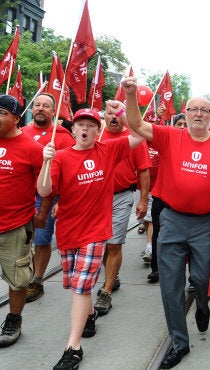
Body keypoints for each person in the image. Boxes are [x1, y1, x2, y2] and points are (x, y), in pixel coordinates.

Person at [122, 78, 210, 369]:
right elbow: (135, 123)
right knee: (170, 285)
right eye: (193, 109)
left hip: (206, 223)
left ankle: (203, 306)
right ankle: (179, 342)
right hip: (171, 218)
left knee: (203, 278)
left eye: (204, 110)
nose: (198, 114)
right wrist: (131, 95)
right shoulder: (170, 135)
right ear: (185, 113)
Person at [37, 106, 145, 369]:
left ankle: (73, 348)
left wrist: (129, 105)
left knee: (82, 287)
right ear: (72, 129)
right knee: (76, 285)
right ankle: (91, 314)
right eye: (80, 125)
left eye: (91, 125)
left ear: (99, 130)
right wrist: (46, 161)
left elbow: (141, 133)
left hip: (96, 232)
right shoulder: (60, 156)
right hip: (68, 231)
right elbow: (44, 189)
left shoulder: (109, 149)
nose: (85, 129)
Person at [92, 102, 151, 316]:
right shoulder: (96, 137)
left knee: (114, 243)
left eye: (117, 114)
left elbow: (144, 171)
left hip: (122, 196)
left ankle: (105, 292)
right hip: (96, 199)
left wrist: (142, 200)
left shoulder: (133, 140)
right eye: (109, 114)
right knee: (103, 245)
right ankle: (112, 276)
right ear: (103, 117)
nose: (114, 117)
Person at [21, 92, 76, 303]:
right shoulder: (21, 132)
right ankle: (21, 276)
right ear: (32, 109)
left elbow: (71, 172)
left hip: (46, 198)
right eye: (37, 105)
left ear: (54, 111)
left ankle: (37, 280)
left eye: (46, 106)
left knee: (42, 240)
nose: (40, 108)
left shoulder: (62, 136)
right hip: (20, 197)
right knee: (22, 240)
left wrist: (61, 200)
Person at [0, 94, 42, 348]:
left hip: (14, 225)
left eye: (2, 113)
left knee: (18, 278)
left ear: (16, 118)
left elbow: (45, 188)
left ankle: (14, 318)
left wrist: (42, 214)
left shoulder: (31, 149)